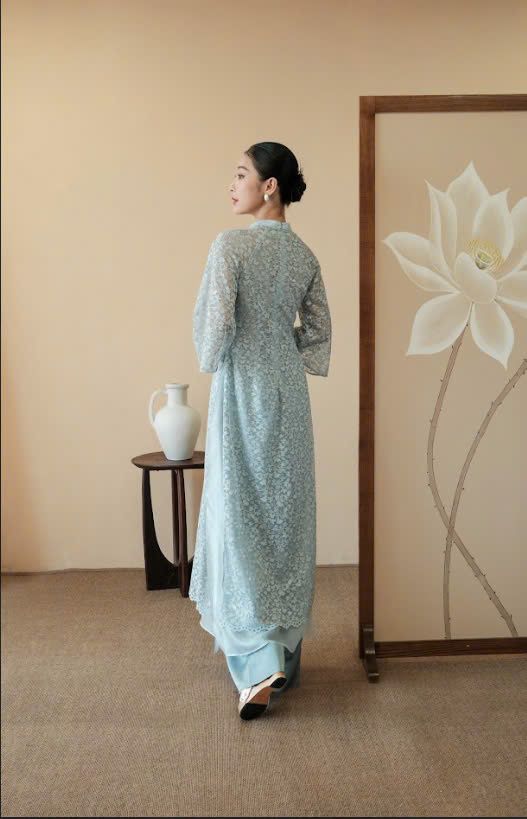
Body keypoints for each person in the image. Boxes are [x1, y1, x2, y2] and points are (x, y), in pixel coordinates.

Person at [189, 141, 332, 720]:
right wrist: (279, 342)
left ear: (269, 185)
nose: (232, 185)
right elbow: (317, 336)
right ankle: (284, 659)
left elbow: (215, 330)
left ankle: (256, 666)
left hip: (241, 390)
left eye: (241, 174)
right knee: (283, 517)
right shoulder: (305, 257)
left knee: (238, 511)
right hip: (288, 396)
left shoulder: (230, 246)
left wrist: (225, 351)